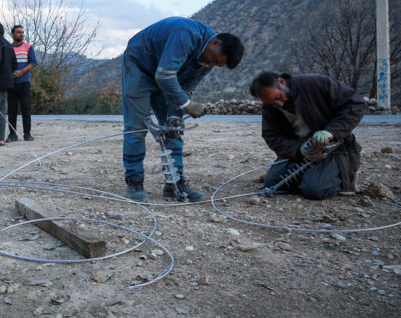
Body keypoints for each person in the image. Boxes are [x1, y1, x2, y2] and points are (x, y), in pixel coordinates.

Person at [122, 17, 244, 203]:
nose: (211, 65)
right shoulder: (186, 33)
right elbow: (164, 75)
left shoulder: (208, 60)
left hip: (167, 77)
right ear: (215, 42)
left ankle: (174, 184)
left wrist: (174, 114)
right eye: (214, 60)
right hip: (140, 65)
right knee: (137, 128)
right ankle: (135, 182)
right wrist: (187, 106)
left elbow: (186, 87)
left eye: (217, 65)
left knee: (175, 129)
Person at [249, 71, 365, 199]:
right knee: (272, 183)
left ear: (281, 82)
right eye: (273, 103)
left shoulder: (315, 83)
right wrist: (299, 150)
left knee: (314, 190)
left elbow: (355, 104)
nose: (280, 104)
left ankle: (344, 179)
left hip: (334, 150)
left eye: (278, 97)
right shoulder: (270, 105)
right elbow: (271, 136)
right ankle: (313, 176)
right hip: (301, 153)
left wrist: (332, 132)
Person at [6, 25, 38, 142]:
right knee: (12, 111)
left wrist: (21, 72)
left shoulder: (28, 46)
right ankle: (12, 135)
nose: (21, 34)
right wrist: (10, 73)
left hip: (24, 82)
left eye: (22, 32)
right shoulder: (8, 48)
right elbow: (5, 65)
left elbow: (33, 62)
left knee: (26, 109)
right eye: (18, 32)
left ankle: (27, 134)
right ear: (12, 34)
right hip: (11, 84)